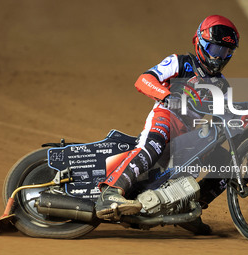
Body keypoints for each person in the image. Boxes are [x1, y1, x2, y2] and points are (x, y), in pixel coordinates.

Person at [95, 15, 240, 234]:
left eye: (226, 52)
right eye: (215, 50)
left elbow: (224, 120)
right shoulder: (180, 62)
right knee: (153, 144)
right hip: (166, 117)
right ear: (200, 43)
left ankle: (190, 208)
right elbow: (144, 79)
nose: (220, 57)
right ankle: (110, 192)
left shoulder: (222, 85)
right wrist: (165, 95)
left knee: (227, 164)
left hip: (190, 136)